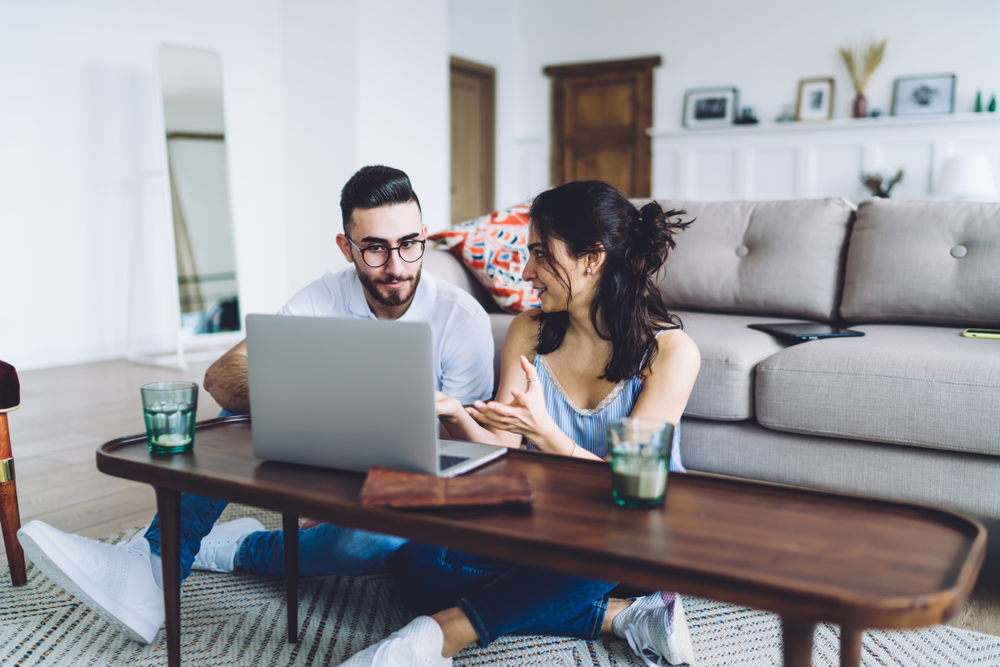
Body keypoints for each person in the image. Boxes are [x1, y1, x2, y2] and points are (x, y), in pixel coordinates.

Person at [17, 166, 495, 645]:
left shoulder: (461, 319)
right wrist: (321, 409)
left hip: (414, 489)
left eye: (409, 244)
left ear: (425, 237)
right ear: (346, 247)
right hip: (332, 460)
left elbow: (471, 457)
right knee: (238, 414)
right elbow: (222, 377)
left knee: (371, 539)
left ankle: (240, 547)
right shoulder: (325, 295)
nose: (395, 265)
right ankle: (154, 566)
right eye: (374, 248)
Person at [337, 180, 701, 667]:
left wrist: (544, 431)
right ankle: (623, 616)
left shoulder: (671, 352)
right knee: (419, 566)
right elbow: (500, 451)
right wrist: (451, 415)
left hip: (636, 532)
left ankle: (441, 635)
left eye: (539, 255)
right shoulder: (528, 331)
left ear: (590, 259)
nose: (526, 272)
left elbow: (631, 488)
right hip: (552, 519)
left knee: (605, 539)